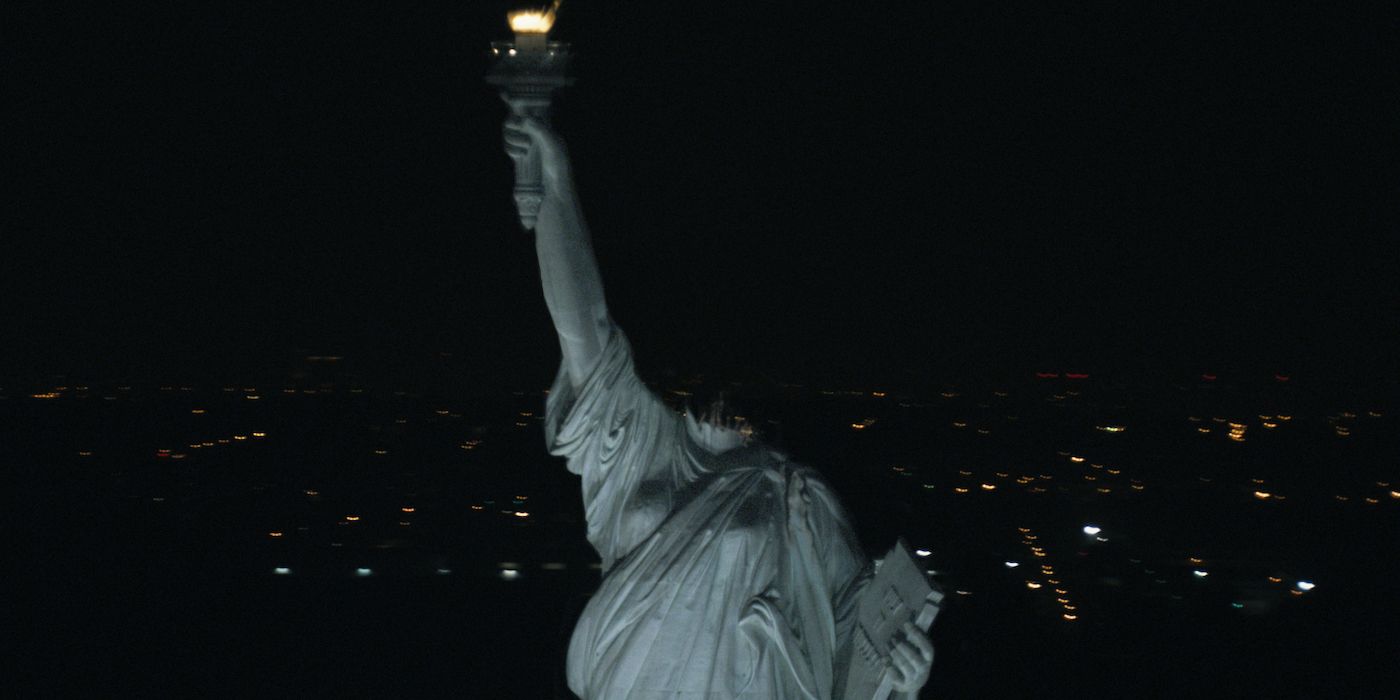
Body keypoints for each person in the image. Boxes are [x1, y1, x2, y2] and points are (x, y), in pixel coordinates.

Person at [504, 114, 935, 699]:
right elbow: (583, 326)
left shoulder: (795, 496)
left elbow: (848, 648)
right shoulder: (642, 442)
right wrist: (557, 180)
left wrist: (904, 677)